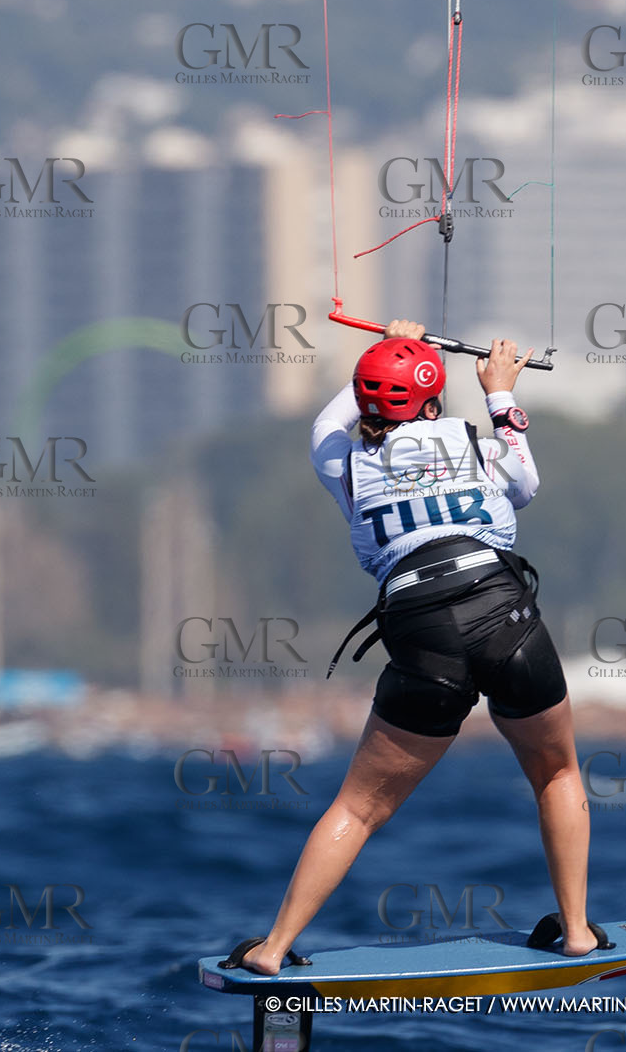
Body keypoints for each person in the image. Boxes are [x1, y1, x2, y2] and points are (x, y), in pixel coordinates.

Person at [232, 319, 606, 976]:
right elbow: (525, 482)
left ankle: (272, 948)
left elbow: (326, 425)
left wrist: (380, 361)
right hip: (501, 610)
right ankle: (576, 931)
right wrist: (498, 394)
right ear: (434, 405)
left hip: (420, 631)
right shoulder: (471, 441)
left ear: (370, 404)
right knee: (557, 772)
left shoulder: (346, 464)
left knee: (357, 806)